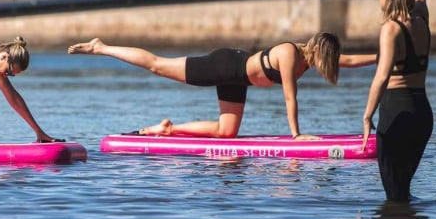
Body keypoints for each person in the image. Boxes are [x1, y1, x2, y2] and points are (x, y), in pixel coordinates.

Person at [67, 32, 375, 138]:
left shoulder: (310, 58)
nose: (329, 65)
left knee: (226, 133)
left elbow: (348, 60)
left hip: (238, 79)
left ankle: (167, 129)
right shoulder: (290, 54)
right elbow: (289, 98)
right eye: (328, 58)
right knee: (158, 65)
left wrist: (385, 57)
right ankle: (101, 47)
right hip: (225, 65)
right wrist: (296, 136)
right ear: (319, 51)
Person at [362, 0, 436, 202]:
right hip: (422, 115)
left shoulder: (391, 29)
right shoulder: (421, 18)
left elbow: (382, 77)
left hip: (397, 113)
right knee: (403, 192)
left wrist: (367, 116)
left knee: (395, 195)